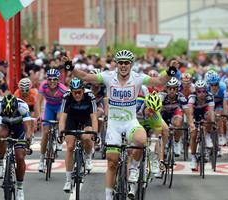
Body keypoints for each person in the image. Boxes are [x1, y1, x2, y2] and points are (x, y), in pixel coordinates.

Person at [63, 49, 179, 200]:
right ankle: (109, 196)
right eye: (121, 63)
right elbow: (86, 76)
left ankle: (134, 168)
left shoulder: (137, 78)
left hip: (131, 122)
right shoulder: (108, 76)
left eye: (126, 63)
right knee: (112, 162)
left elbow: (159, 82)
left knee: (141, 140)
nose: (124, 66)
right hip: (114, 124)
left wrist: (170, 71)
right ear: (117, 64)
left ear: (131, 64)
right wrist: (70, 68)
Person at [0, 94, 32, 200]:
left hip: (20, 128)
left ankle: (20, 189)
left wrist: (28, 143)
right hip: (5, 125)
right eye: (7, 113)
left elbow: (28, 128)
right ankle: (0, 164)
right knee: (0, 134)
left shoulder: (23, 107)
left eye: (11, 113)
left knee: (20, 157)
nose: (10, 115)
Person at [58, 78, 98, 192]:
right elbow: (63, 117)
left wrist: (94, 133)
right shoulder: (66, 96)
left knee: (87, 137)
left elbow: (94, 117)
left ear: (83, 90)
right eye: (74, 92)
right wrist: (61, 132)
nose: (77, 95)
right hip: (72, 118)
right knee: (70, 147)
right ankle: (68, 180)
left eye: (79, 92)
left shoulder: (90, 96)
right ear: (70, 91)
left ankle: (88, 156)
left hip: (86, 118)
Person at [37, 69, 68, 172]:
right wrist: (38, 116)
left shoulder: (63, 89)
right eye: (49, 79)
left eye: (55, 79)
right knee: (45, 132)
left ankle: (59, 138)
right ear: (47, 80)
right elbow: (38, 102)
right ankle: (41, 160)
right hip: (49, 107)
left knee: (60, 118)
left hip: (60, 106)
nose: (52, 81)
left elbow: (66, 106)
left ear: (58, 80)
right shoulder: (43, 86)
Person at [160, 77, 195, 157]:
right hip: (163, 114)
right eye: (170, 88)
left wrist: (191, 124)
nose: (172, 90)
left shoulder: (181, 97)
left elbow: (188, 113)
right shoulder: (161, 96)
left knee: (179, 122)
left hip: (174, 114)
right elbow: (156, 112)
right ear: (167, 88)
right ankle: (164, 143)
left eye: (174, 88)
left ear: (177, 89)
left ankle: (176, 142)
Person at [188, 80, 215, 170]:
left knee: (208, 117)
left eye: (204, 91)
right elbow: (190, 113)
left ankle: (207, 136)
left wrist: (213, 122)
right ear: (196, 91)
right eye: (199, 91)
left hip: (205, 113)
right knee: (193, 134)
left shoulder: (209, 96)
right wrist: (191, 124)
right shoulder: (192, 97)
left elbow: (211, 112)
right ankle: (193, 157)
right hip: (195, 114)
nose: (202, 93)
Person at [206, 71, 228, 149]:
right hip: (209, 104)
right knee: (209, 116)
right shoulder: (205, 88)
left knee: (219, 116)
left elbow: (225, 103)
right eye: (211, 85)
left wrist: (225, 114)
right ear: (209, 84)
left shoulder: (223, 88)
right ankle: (208, 135)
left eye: (215, 84)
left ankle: (221, 136)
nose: (213, 87)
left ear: (218, 83)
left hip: (219, 104)